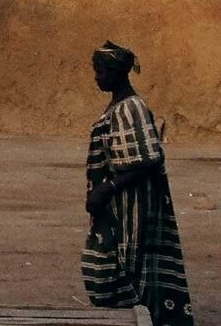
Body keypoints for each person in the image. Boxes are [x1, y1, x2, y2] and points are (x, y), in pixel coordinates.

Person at [81, 41, 194, 326]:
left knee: (125, 268)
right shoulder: (118, 107)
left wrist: (108, 188)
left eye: (102, 71)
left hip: (133, 208)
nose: (97, 77)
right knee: (107, 267)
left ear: (118, 73)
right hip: (117, 207)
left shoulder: (131, 108)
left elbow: (149, 159)